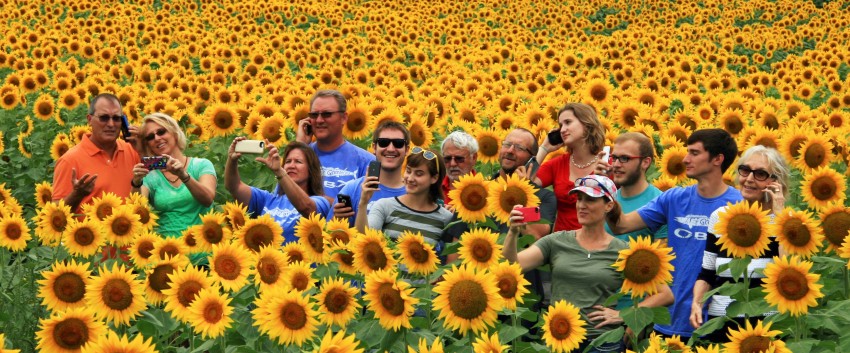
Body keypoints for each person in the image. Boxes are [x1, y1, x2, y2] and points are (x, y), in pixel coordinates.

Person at [504, 175, 674, 353]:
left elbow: (665, 295)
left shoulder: (623, 251)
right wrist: (513, 232)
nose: (581, 205)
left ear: (608, 205)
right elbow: (513, 265)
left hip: (601, 343)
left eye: (590, 200)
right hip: (560, 339)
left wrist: (623, 315)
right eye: (579, 199)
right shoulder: (556, 242)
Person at [606, 129, 743, 339]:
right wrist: (602, 189)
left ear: (718, 159)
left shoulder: (739, 206)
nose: (686, 159)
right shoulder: (674, 199)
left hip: (718, 320)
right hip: (670, 318)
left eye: (695, 153)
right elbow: (621, 226)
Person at [689, 146, 789, 343]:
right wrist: (696, 302)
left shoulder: (786, 222)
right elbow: (707, 273)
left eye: (760, 174)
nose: (749, 178)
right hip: (723, 322)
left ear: (776, 182)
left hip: (767, 326)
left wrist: (780, 216)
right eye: (745, 170)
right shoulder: (721, 218)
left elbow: (789, 270)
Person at [225, 138, 332, 244]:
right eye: (288, 161)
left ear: (311, 170)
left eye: (298, 162)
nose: (291, 166)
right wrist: (232, 159)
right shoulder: (268, 199)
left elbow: (306, 207)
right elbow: (234, 186)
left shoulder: (320, 202)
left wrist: (279, 172)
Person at [130, 113, 217, 240]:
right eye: (150, 137)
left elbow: (207, 199)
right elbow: (137, 211)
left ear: (175, 133)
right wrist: (136, 182)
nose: (157, 138)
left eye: (161, 131)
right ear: (148, 144)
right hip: (167, 252)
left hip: (203, 252)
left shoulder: (201, 165)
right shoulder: (151, 176)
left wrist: (183, 176)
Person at [53, 93, 141, 213]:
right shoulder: (70, 160)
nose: (111, 124)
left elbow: (159, 181)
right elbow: (56, 214)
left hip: (130, 229)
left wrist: (143, 147)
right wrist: (77, 194)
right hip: (90, 231)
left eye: (116, 118)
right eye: (104, 118)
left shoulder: (132, 151)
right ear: (89, 120)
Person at [355, 146, 451, 251]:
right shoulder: (385, 206)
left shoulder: (445, 218)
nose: (410, 178)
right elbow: (364, 239)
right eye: (408, 171)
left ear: (434, 178)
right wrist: (363, 203)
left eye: (419, 174)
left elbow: (449, 257)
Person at [534, 103, 608, 232]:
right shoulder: (557, 164)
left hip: (597, 243)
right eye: (560, 125)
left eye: (568, 122)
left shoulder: (606, 163)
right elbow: (525, 183)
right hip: (562, 243)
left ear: (587, 124)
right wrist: (544, 148)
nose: (562, 130)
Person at [294, 89, 374, 198]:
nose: (319, 120)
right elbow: (280, 198)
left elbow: (371, 207)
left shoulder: (367, 162)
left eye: (327, 114)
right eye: (314, 115)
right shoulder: (301, 156)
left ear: (344, 118)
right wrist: (299, 147)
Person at [331, 122, 410, 225]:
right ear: (374, 147)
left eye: (398, 143)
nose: (390, 149)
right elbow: (332, 234)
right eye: (383, 142)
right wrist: (337, 220)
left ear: (407, 150)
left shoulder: (415, 192)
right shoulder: (352, 190)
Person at [440, 131, 478, 207]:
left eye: (459, 158)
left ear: (473, 158)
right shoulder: (432, 187)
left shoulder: (485, 191)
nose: (452, 164)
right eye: (447, 158)